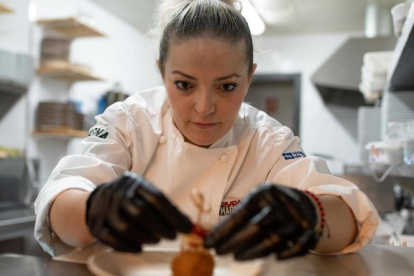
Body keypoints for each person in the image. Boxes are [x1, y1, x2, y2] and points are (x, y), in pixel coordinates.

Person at [34, 0, 379, 260]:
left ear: (250, 78)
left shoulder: (269, 140)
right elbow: (62, 200)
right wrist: (93, 209)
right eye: (184, 84)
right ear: (161, 70)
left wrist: (311, 215)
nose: (204, 107)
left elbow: (348, 217)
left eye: (227, 87)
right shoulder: (128, 122)